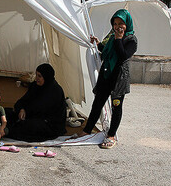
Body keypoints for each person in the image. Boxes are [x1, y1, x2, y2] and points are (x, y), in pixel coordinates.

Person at [79, 9, 137, 149]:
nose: (118, 27)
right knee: (97, 104)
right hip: (106, 76)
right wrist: (98, 43)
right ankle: (87, 130)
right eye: (115, 24)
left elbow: (123, 55)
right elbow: (107, 51)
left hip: (119, 79)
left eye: (121, 23)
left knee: (116, 107)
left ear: (127, 24)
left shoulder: (131, 40)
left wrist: (118, 39)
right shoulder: (112, 37)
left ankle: (111, 135)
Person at [8, 63, 66, 142]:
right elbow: (22, 101)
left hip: (49, 124)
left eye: (39, 76)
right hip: (31, 116)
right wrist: (21, 109)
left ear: (46, 77)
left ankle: (7, 131)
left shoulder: (55, 91)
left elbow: (40, 109)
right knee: (7, 113)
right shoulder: (35, 86)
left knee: (28, 126)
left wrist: (26, 112)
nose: (36, 79)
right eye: (36, 75)